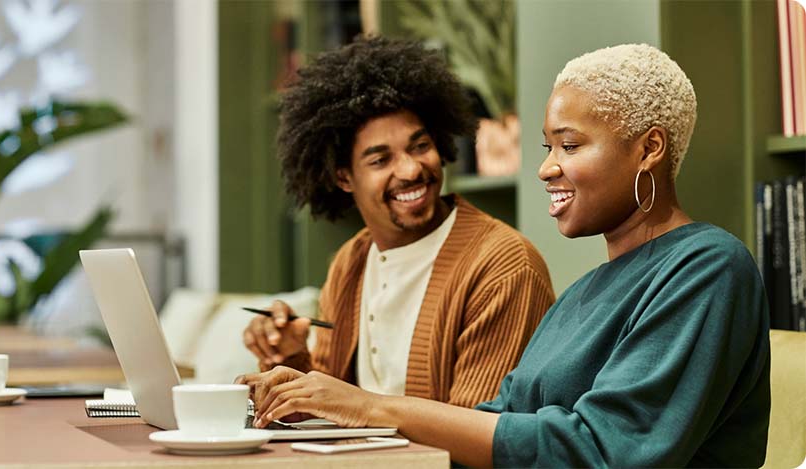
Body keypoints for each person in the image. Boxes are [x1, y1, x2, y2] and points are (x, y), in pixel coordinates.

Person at [237, 43, 771, 468]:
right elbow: (494, 426)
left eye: (571, 145)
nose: (546, 168)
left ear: (649, 149)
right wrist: (314, 393)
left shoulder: (708, 267)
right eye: (548, 148)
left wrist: (371, 407)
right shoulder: (583, 294)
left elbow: (607, 451)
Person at [242, 36, 555, 409]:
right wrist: (290, 357)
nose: (410, 170)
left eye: (420, 146)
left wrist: (360, 410)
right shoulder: (350, 263)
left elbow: (480, 435)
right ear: (343, 178)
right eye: (380, 160)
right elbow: (327, 409)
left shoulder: (502, 266)